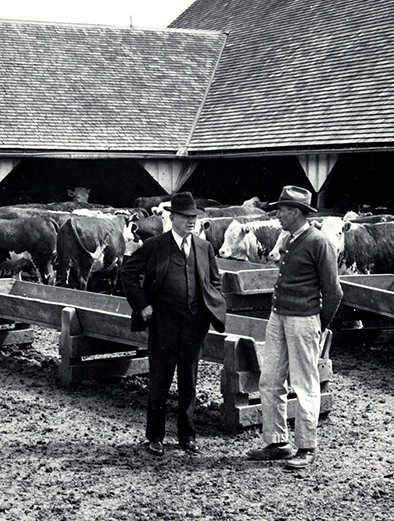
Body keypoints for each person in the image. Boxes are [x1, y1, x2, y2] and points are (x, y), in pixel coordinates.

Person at [121, 192, 226, 456]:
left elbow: (214, 282)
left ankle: (187, 436)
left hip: (194, 325)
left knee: (189, 381)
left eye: (194, 217)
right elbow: (128, 273)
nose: (191, 221)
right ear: (173, 217)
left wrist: (210, 310)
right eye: (186, 217)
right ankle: (155, 437)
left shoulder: (205, 248)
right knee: (160, 380)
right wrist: (142, 304)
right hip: (164, 323)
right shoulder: (156, 245)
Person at [246, 185, 343, 469]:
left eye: (282, 210)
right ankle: (277, 442)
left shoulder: (318, 242)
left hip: (304, 319)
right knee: (270, 379)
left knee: (304, 384)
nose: (277, 215)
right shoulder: (288, 238)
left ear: (297, 213)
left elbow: (334, 292)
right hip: (279, 316)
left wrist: (318, 323)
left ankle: (306, 446)